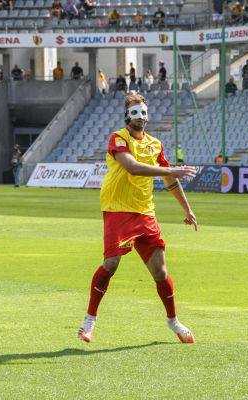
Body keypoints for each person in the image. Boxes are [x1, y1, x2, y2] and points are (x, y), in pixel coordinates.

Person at [77, 94, 197, 344]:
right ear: (127, 115)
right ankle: (89, 320)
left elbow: (170, 181)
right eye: (134, 112)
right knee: (110, 264)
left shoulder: (155, 144)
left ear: (148, 115)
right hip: (118, 209)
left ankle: (173, 321)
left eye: (142, 112)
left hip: (145, 212)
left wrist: (187, 209)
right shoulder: (118, 138)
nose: (139, 117)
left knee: (161, 272)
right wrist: (170, 169)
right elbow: (132, 167)